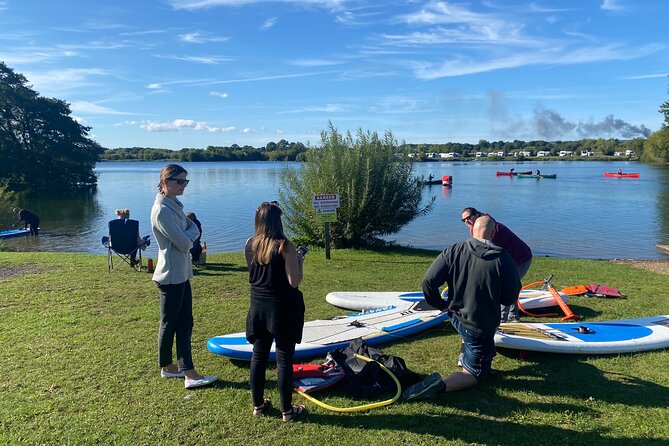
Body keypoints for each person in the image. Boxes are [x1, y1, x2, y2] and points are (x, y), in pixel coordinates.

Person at [402, 216, 521, 400]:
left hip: (457, 317)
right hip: (480, 324)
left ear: (473, 229)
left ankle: (472, 358)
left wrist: (440, 305)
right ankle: (439, 386)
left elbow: (428, 282)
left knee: (482, 350)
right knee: (474, 374)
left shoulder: (454, 250)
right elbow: (510, 297)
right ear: (494, 232)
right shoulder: (503, 259)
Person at [151, 164, 218, 389]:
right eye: (179, 181)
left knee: (182, 322)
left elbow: (192, 230)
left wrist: (190, 233)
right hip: (171, 275)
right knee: (174, 323)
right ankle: (188, 374)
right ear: (164, 182)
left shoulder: (174, 205)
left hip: (181, 273)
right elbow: (185, 242)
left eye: (185, 182)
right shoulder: (162, 210)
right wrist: (191, 234)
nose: (183, 186)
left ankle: (170, 368)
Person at [245, 201, 306, 422]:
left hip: (258, 306)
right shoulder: (285, 246)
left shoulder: (249, 244)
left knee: (258, 355)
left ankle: (258, 406)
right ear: (277, 221)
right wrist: (299, 262)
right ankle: (287, 412)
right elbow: (294, 282)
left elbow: (256, 273)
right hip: (283, 307)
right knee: (284, 359)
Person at [461, 207, 532, 322]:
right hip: (509, 258)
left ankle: (502, 319)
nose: (467, 221)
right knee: (506, 285)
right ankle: (513, 316)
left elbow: (495, 252)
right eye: (464, 220)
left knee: (506, 286)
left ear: (477, 214)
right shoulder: (476, 227)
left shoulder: (493, 228)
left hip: (521, 258)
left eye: (469, 217)